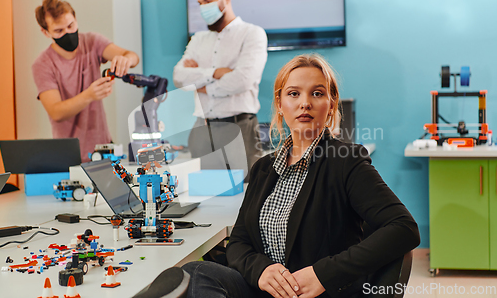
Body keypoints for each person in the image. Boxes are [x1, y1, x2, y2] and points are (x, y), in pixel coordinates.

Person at [174, 54, 420, 298]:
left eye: (317, 93)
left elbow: (404, 228)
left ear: (331, 104)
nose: (305, 103)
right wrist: (261, 270)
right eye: (294, 93)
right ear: (280, 104)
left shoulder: (346, 160)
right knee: (195, 273)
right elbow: (239, 242)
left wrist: (323, 275)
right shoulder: (263, 168)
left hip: (318, 294)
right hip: (266, 291)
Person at [173, 0, 268, 179]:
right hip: (202, 128)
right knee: (208, 197)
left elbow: (242, 80)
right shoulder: (198, 39)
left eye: (208, 1)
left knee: (248, 191)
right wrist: (215, 73)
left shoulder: (252, 34)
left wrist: (201, 83)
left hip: (240, 128)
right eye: (200, 4)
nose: (203, 8)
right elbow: (179, 78)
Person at [32, 0, 139, 162]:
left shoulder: (92, 42)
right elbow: (56, 112)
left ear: (75, 19)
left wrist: (126, 60)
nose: (68, 33)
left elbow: (132, 56)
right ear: (45, 32)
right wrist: (90, 95)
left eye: (70, 26)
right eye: (59, 31)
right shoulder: (43, 64)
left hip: (104, 148)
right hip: (69, 154)